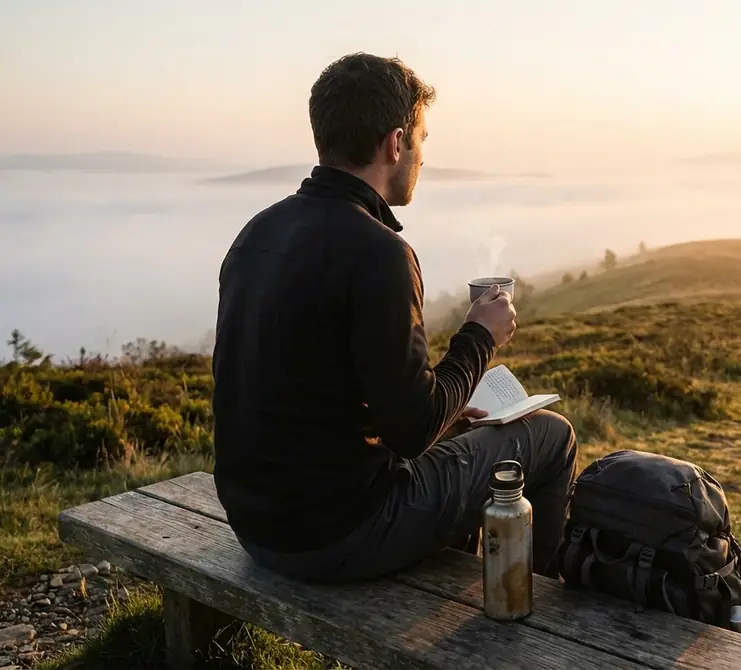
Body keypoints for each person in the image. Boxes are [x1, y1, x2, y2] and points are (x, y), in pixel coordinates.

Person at [211, 52, 577, 583]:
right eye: (423, 140)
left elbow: (316, 392)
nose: (423, 158)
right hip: (338, 535)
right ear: (396, 141)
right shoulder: (378, 252)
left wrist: (448, 414)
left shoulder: (258, 233)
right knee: (550, 436)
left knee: (461, 436)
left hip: (259, 526)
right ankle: (543, 622)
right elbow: (412, 431)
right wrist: (480, 336)